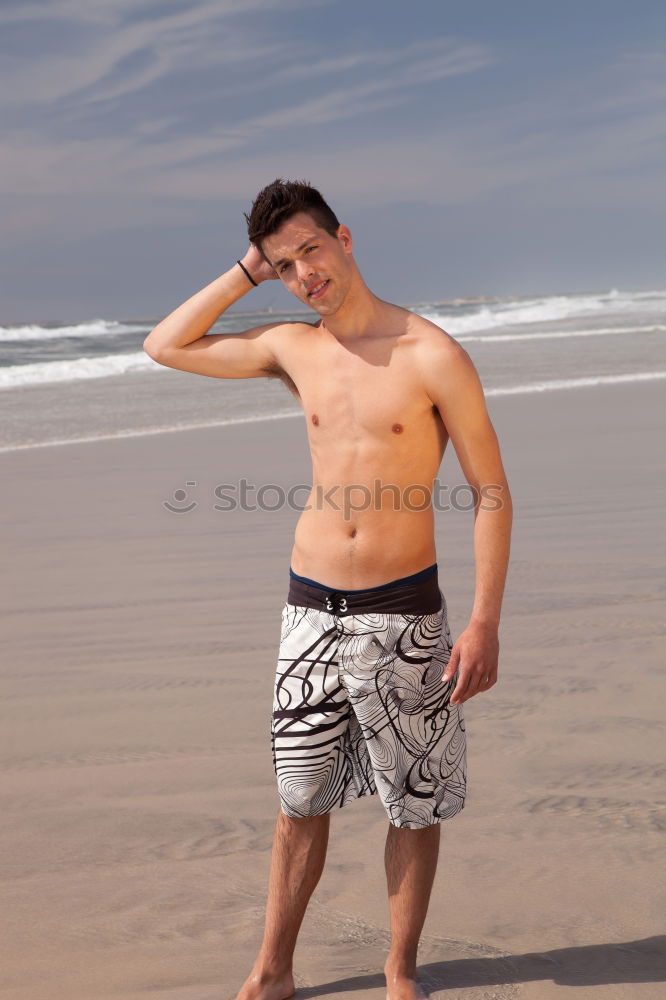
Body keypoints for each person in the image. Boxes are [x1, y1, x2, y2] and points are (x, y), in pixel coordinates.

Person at [143, 178, 513, 1000]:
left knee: (412, 802)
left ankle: (400, 967)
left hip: (403, 613)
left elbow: (491, 490)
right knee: (298, 797)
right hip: (309, 610)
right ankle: (273, 969)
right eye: (285, 265)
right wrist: (247, 269)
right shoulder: (291, 347)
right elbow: (164, 345)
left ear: (345, 238)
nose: (304, 272)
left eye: (310, 249)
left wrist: (483, 621)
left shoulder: (432, 354)